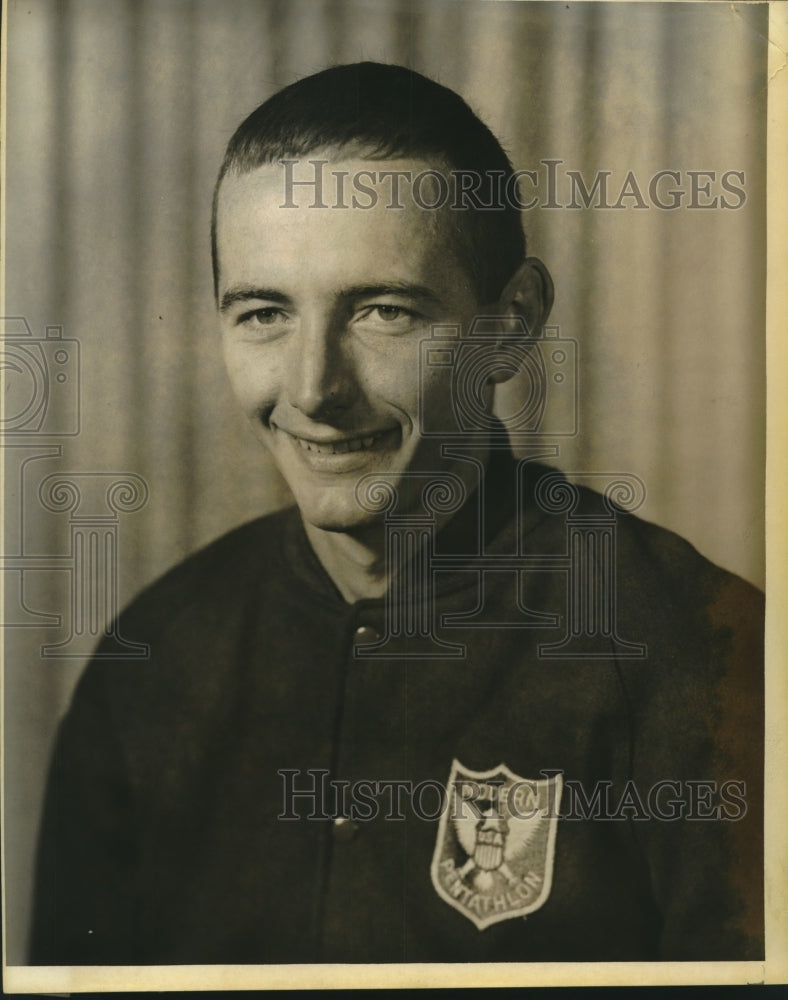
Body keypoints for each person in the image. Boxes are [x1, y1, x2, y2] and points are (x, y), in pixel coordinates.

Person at [29, 62, 763, 965]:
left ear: (514, 322)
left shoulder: (701, 655)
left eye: (382, 311)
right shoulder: (152, 663)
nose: (312, 389)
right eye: (263, 313)